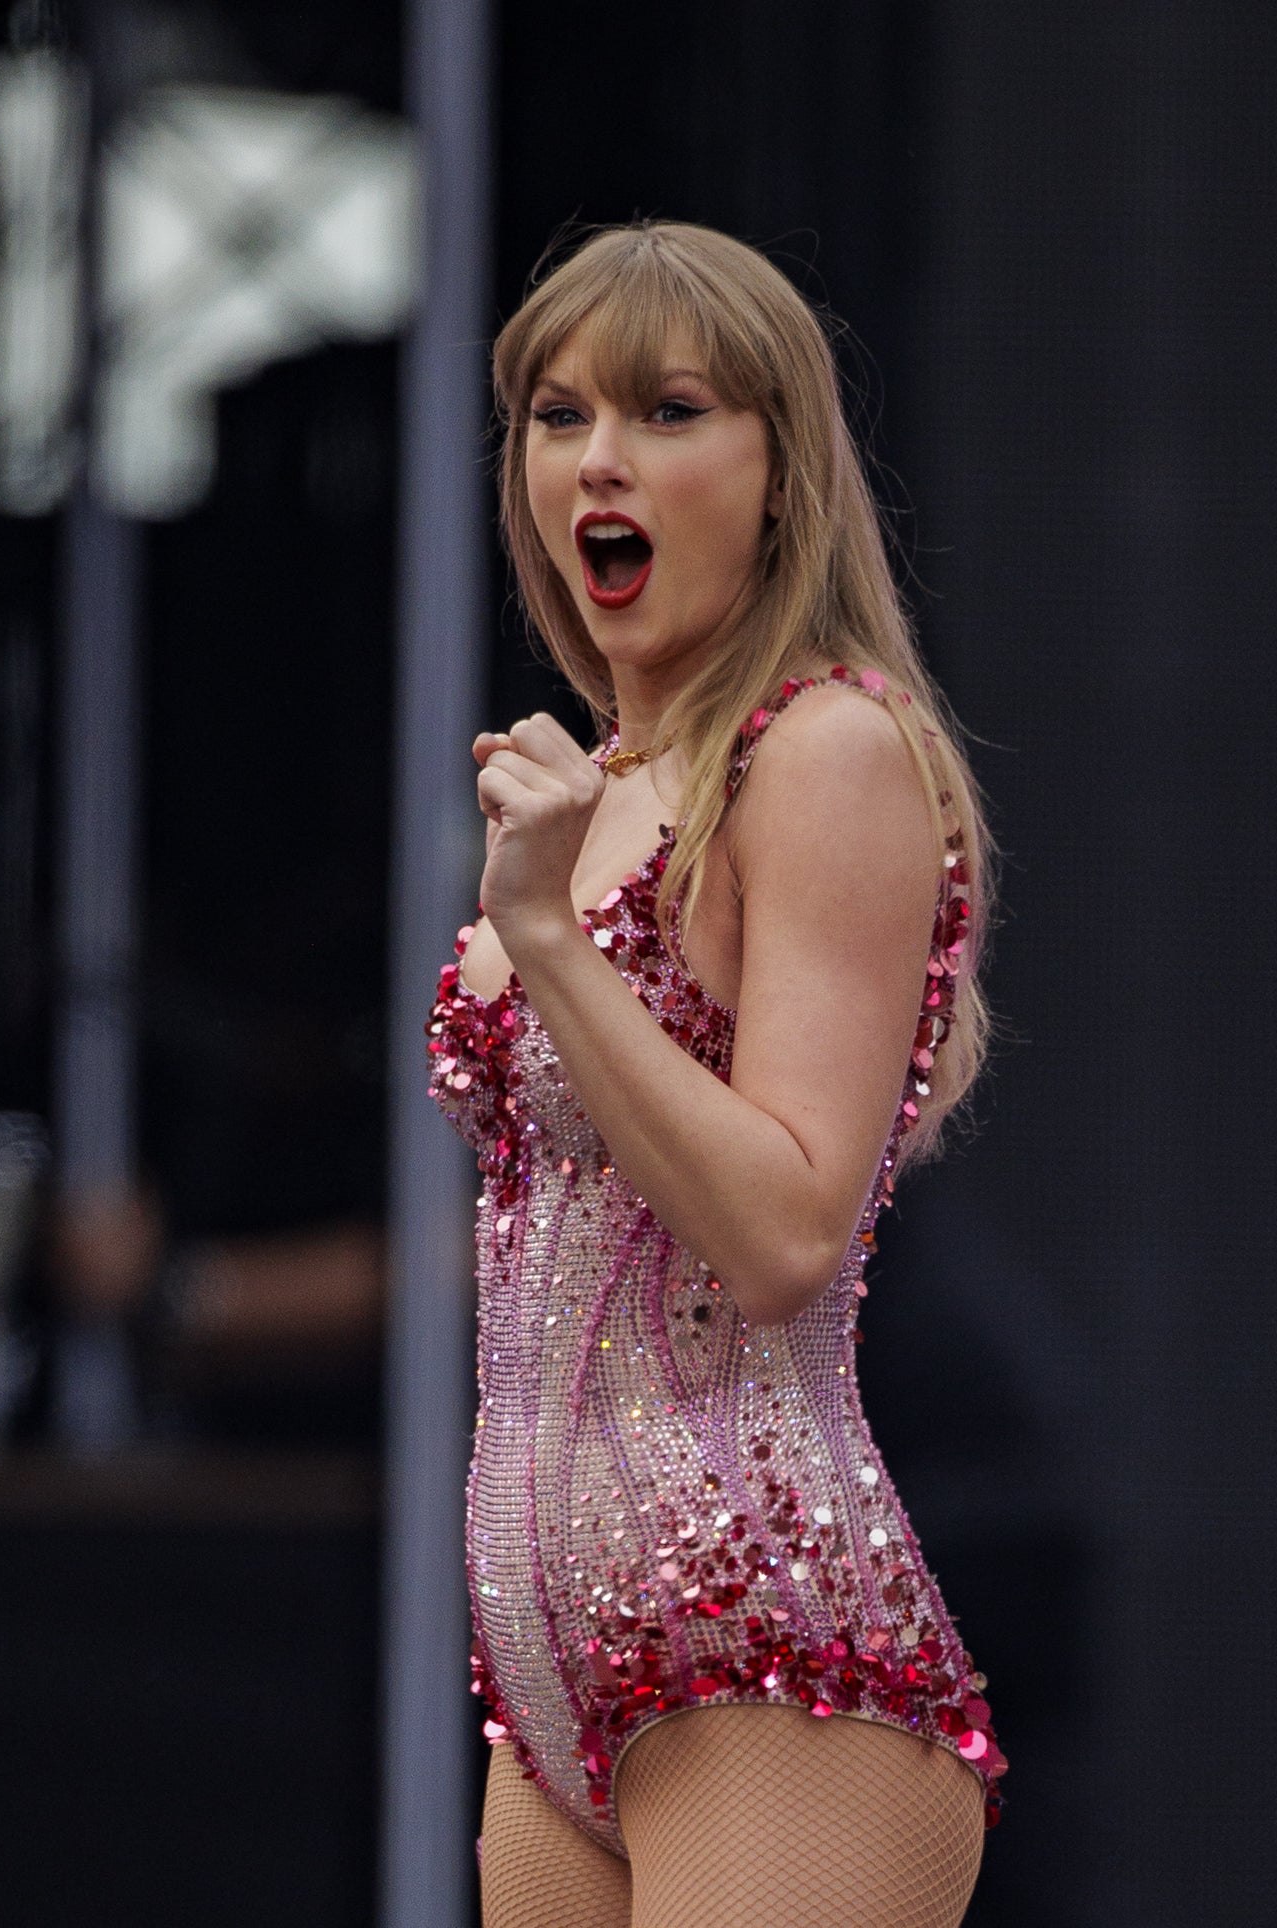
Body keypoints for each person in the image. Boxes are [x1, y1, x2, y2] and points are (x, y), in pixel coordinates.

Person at [426, 221, 1007, 1928]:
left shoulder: (825, 751)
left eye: (667, 411)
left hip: (764, 1642)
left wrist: (547, 939)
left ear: (779, 476)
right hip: (550, 1679)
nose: (598, 459)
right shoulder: (602, 787)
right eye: (559, 415)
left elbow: (785, 1233)